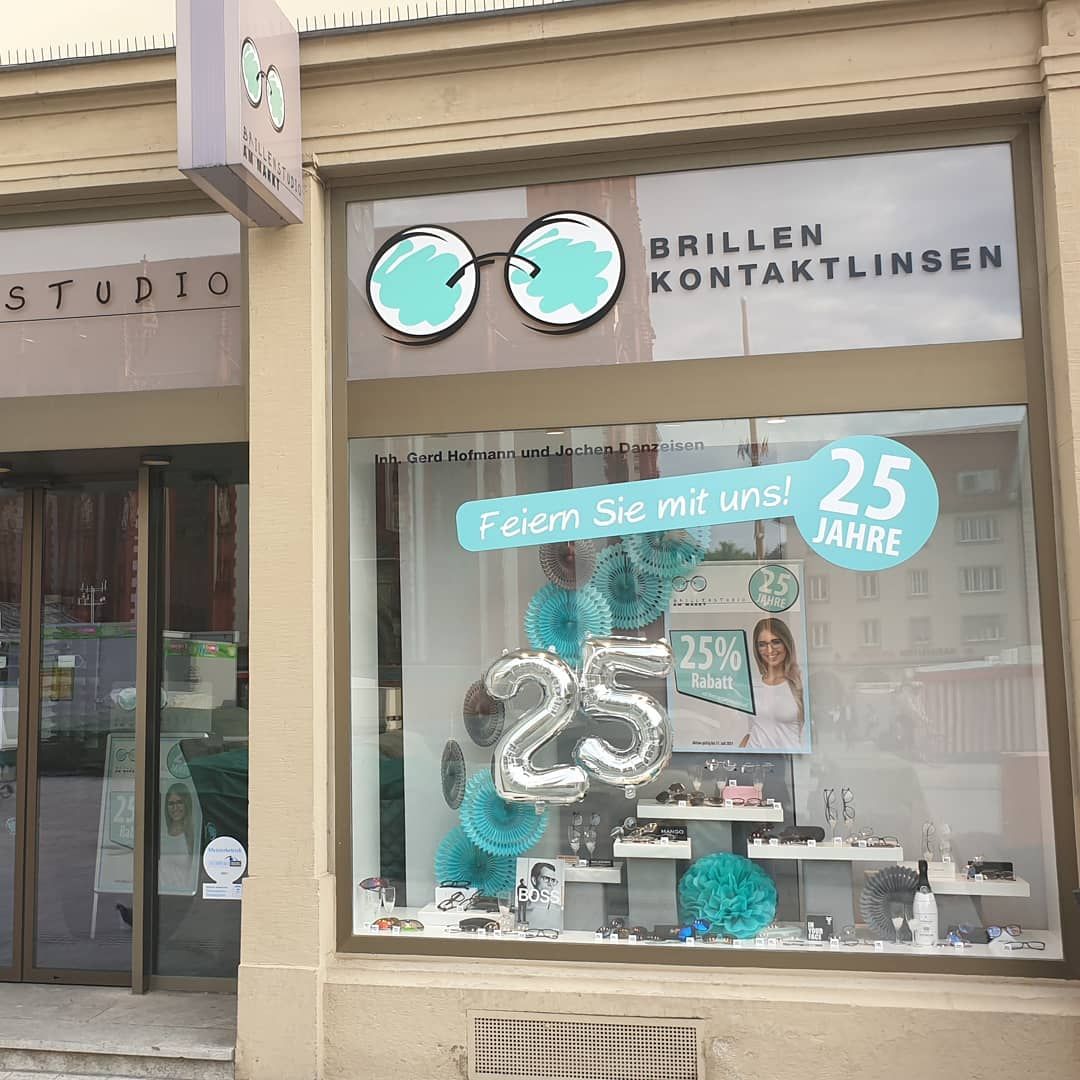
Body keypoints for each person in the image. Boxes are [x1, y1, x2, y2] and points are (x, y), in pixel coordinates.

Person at [741, 617, 805, 751]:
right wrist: (736, 755)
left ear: (786, 644)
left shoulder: (799, 683)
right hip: (754, 759)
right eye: (762, 644)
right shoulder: (752, 686)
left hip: (788, 760)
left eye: (776, 642)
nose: (769, 650)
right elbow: (750, 731)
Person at [158, 782, 197, 894]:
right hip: (160, 895)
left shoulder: (192, 836)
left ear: (186, 803)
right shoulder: (161, 835)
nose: (175, 808)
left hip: (183, 895)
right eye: (171, 803)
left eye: (180, 802)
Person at [522, 861, 562, 931]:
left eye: (553, 880)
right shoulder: (521, 909)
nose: (550, 884)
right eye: (546, 878)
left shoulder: (559, 911)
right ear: (534, 880)